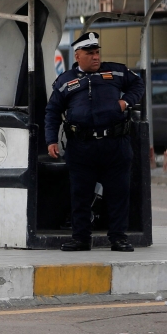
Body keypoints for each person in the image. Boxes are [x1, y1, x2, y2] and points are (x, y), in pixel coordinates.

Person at [44, 31, 145, 252]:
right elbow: (52, 112)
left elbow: (138, 85)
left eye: (97, 52)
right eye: (90, 53)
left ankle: (118, 238)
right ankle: (81, 238)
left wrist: (125, 103)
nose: (96, 57)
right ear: (77, 56)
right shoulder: (65, 81)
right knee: (80, 194)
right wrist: (51, 139)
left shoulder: (116, 71)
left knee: (118, 193)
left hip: (115, 144)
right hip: (82, 147)